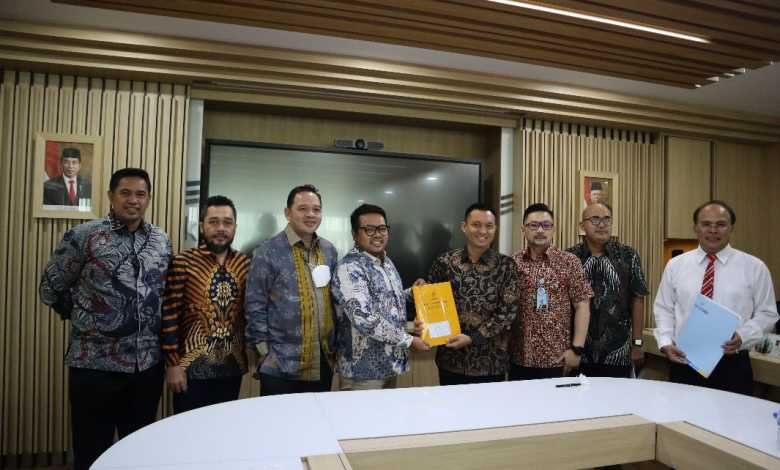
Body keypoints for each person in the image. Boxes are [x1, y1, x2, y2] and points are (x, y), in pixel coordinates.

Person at [40, 168, 171, 470]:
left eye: (140, 194)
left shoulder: (161, 240)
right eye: (125, 193)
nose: (133, 200)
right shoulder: (84, 236)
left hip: (146, 366)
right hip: (94, 366)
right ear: (111, 196)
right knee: (91, 450)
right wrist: (86, 316)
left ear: (148, 198)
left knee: (138, 453)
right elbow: (50, 287)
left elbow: (161, 291)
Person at [654, 200, 779, 395]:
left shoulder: (755, 267)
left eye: (721, 224)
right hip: (684, 360)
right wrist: (665, 343)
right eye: (706, 224)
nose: (713, 230)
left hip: (732, 364)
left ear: (731, 228)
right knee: (682, 413)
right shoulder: (676, 265)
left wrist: (743, 336)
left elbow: (768, 314)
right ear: (695, 228)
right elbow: (664, 308)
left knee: (733, 414)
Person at [245, 184, 338, 395]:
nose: (310, 214)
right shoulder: (267, 251)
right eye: (303, 208)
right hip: (280, 366)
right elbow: (254, 305)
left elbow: (334, 302)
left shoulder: (329, 250)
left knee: (317, 416)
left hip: (321, 362)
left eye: (316, 209)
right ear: (288, 213)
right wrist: (263, 353)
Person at [161, 195, 250, 413]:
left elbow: (251, 313)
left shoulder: (246, 264)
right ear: (202, 226)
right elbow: (169, 315)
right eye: (213, 222)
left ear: (235, 227)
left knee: (224, 428)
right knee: (188, 429)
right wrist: (172, 365)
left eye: (227, 223)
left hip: (232, 368)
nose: (221, 228)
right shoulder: (184, 262)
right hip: (190, 370)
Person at [332, 204, 430, 390]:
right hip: (362, 372)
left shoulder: (386, 261)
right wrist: (409, 340)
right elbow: (363, 317)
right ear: (354, 234)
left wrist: (412, 293)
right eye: (369, 229)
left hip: (389, 364)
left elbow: (385, 300)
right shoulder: (349, 268)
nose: (377, 234)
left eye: (382, 228)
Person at [424, 203, 520, 385]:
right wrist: (421, 296)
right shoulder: (444, 262)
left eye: (489, 226)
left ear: (495, 229)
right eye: (476, 225)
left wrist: (472, 338)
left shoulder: (506, 266)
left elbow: (507, 312)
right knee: (451, 404)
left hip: (491, 363)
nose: (483, 231)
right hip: (451, 360)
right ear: (464, 227)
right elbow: (430, 303)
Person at [510, 203, 592, 380]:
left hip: (558, 359)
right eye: (533, 225)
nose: (540, 230)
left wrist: (577, 349)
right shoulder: (512, 263)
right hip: (519, 358)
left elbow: (582, 306)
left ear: (553, 229)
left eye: (546, 225)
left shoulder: (569, 262)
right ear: (523, 229)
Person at [567, 203, 648, 378]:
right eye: (595, 219)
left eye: (606, 219)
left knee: (617, 396)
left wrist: (637, 343)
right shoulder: (570, 257)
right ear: (582, 226)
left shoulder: (628, 256)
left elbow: (638, 299)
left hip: (617, 353)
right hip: (579, 353)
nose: (602, 224)